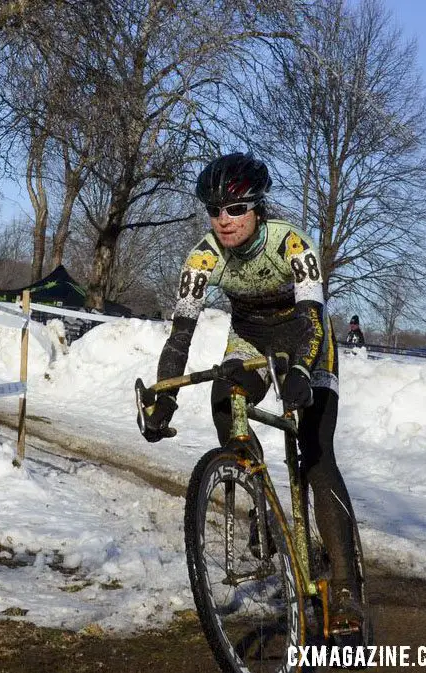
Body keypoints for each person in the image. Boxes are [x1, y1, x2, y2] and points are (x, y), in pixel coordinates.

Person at [140, 152, 363, 629]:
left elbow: (312, 320)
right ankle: (259, 494)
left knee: (317, 453)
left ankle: (346, 588)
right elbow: (180, 335)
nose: (224, 220)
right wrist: (164, 397)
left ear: (258, 208)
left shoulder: (292, 243)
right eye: (215, 210)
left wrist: (302, 371)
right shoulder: (203, 256)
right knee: (225, 397)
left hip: (308, 339)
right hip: (251, 338)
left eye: (235, 209)